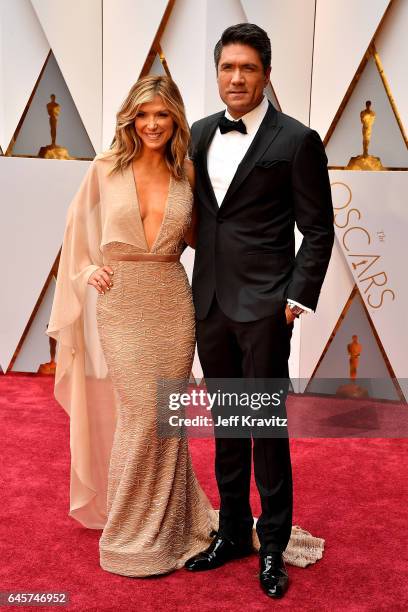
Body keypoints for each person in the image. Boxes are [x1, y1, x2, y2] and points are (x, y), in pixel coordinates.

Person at [184, 24, 334, 599]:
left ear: (266, 74)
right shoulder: (197, 134)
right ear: (217, 73)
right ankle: (231, 533)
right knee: (227, 427)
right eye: (227, 68)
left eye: (247, 68)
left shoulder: (297, 140)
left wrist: (297, 297)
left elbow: (317, 228)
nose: (237, 78)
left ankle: (272, 545)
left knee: (265, 431)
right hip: (211, 304)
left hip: (267, 308)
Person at [46, 75, 218, 577]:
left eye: (161, 115)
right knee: (143, 413)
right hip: (121, 300)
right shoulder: (105, 168)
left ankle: (169, 526)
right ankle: (128, 535)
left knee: (167, 418)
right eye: (142, 115)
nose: (151, 124)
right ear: (130, 119)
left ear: (175, 119)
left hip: (170, 299)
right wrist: (84, 270)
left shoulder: (188, 171)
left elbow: (200, 240)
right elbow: (75, 233)